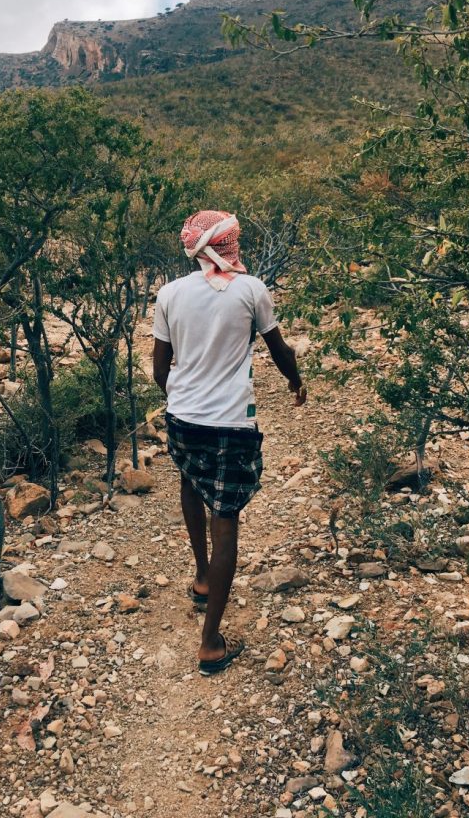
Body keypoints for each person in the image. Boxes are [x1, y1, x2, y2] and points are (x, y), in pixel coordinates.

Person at [152, 209, 306, 675]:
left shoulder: (170, 294)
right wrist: (297, 382)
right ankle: (210, 642)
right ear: (228, 245)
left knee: (189, 482)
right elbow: (279, 350)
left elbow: (161, 369)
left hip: (183, 418)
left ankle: (201, 577)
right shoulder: (251, 290)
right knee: (227, 521)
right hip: (231, 425)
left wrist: (183, 397)